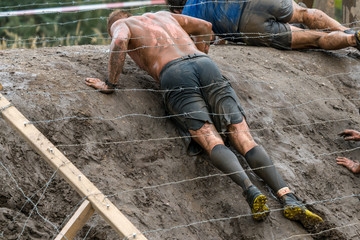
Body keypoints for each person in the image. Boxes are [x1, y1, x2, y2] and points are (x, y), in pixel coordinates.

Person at [85, 10, 323, 228]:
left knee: (209, 138)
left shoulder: (122, 24)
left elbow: (118, 42)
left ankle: (250, 191)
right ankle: (288, 197)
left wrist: (110, 84)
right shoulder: (164, 15)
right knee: (242, 135)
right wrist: (200, 54)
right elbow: (205, 26)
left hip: (174, 73)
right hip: (205, 64)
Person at [166, 0, 360, 51]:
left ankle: (352, 39)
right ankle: (348, 31)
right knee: (305, 13)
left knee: (316, 39)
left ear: (176, 11)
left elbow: (207, 35)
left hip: (245, 26)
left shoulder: (187, 13)